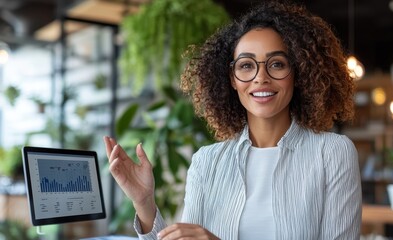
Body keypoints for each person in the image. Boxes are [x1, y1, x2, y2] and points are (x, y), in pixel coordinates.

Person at [104, 1, 362, 239]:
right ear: (232, 79)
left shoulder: (332, 153)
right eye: (246, 66)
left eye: (277, 64)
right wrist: (144, 204)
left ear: (298, 72)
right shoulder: (206, 162)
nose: (261, 78)